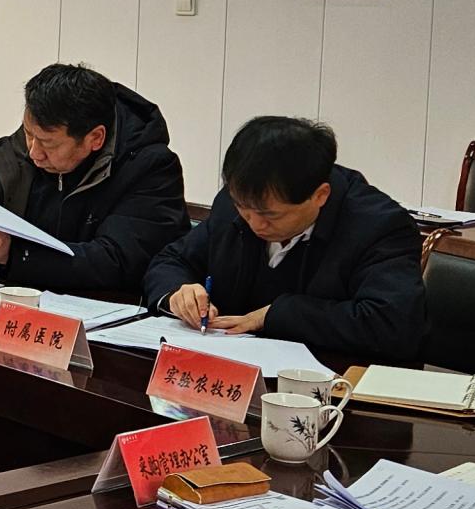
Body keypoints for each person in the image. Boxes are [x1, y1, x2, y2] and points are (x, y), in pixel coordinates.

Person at [143, 115, 423, 368]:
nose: (254, 224)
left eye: (270, 215)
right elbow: (171, 260)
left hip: (334, 388)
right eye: (243, 208)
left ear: (320, 195)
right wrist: (178, 293)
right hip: (229, 368)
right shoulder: (235, 205)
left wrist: (275, 315)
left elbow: (393, 324)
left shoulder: (378, 226)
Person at [0, 62, 187, 292]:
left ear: (95, 138)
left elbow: (117, 261)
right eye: (29, 135)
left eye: (48, 144)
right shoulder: (28, 151)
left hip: (108, 317)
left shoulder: (150, 168)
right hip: (26, 302)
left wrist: (15, 255)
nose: (34, 153)